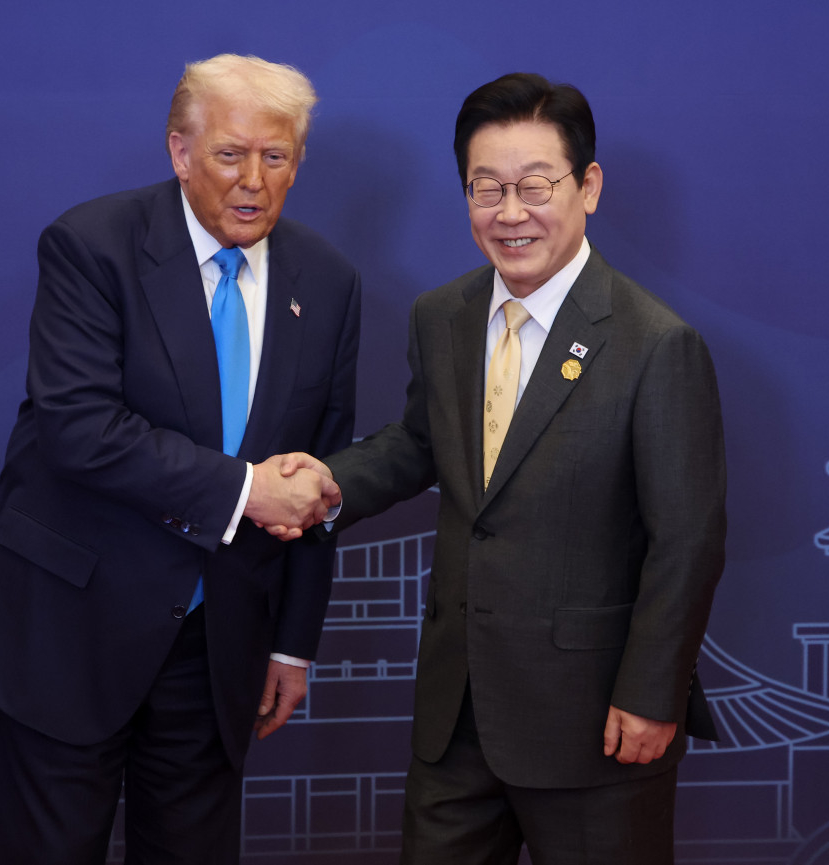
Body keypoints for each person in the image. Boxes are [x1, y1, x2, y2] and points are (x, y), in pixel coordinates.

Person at [275, 73, 726, 864]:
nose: (509, 213)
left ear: (587, 186)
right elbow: (423, 443)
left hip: (596, 727)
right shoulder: (442, 315)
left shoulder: (656, 345)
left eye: (533, 186)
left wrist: (652, 693)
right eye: (486, 189)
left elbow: (686, 540)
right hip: (456, 718)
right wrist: (329, 485)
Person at [0, 54, 361, 865]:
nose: (253, 181)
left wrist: (292, 642)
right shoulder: (92, 245)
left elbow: (317, 473)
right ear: (178, 151)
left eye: (275, 158)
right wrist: (243, 489)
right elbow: (80, 427)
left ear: (298, 162)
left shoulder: (330, 281)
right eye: (229, 155)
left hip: (215, 648)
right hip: (63, 631)